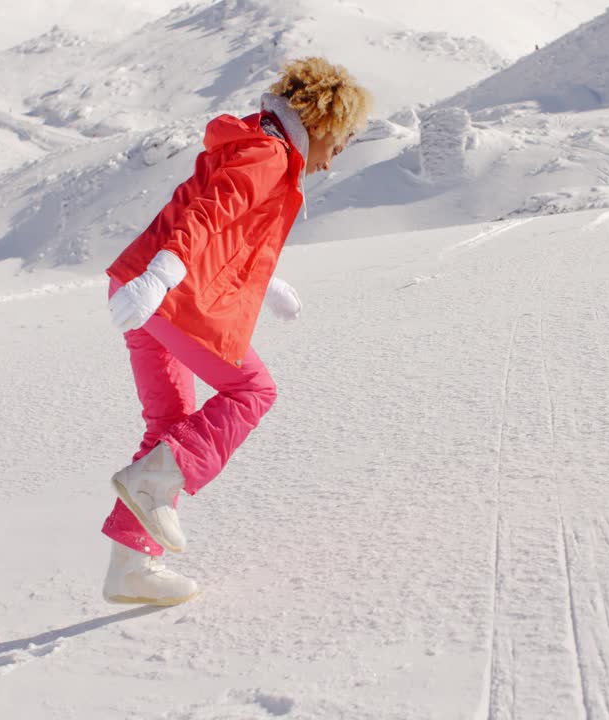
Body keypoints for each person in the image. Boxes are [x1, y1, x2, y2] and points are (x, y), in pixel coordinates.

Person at [99, 58, 372, 606]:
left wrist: (264, 283)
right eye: (340, 140)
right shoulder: (269, 154)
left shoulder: (258, 144)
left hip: (144, 291)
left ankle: (131, 567)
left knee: (171, 427)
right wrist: (162, 275)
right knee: (253, 389)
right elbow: (204, 215)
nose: (336, 156)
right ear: (320, 120)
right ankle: (154, 487)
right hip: (165, 294)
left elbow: (233, 232)